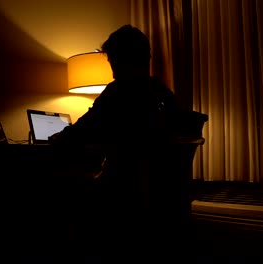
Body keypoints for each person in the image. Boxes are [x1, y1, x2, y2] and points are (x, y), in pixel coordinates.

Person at [49, 24, 199, 262]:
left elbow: (84, 129)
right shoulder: (163, 92)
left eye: (113, 61)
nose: (112, 69)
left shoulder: (120, 91)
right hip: (162, 197)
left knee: (56, 191)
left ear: (120, 59)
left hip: (124, 191)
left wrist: (59, 138)